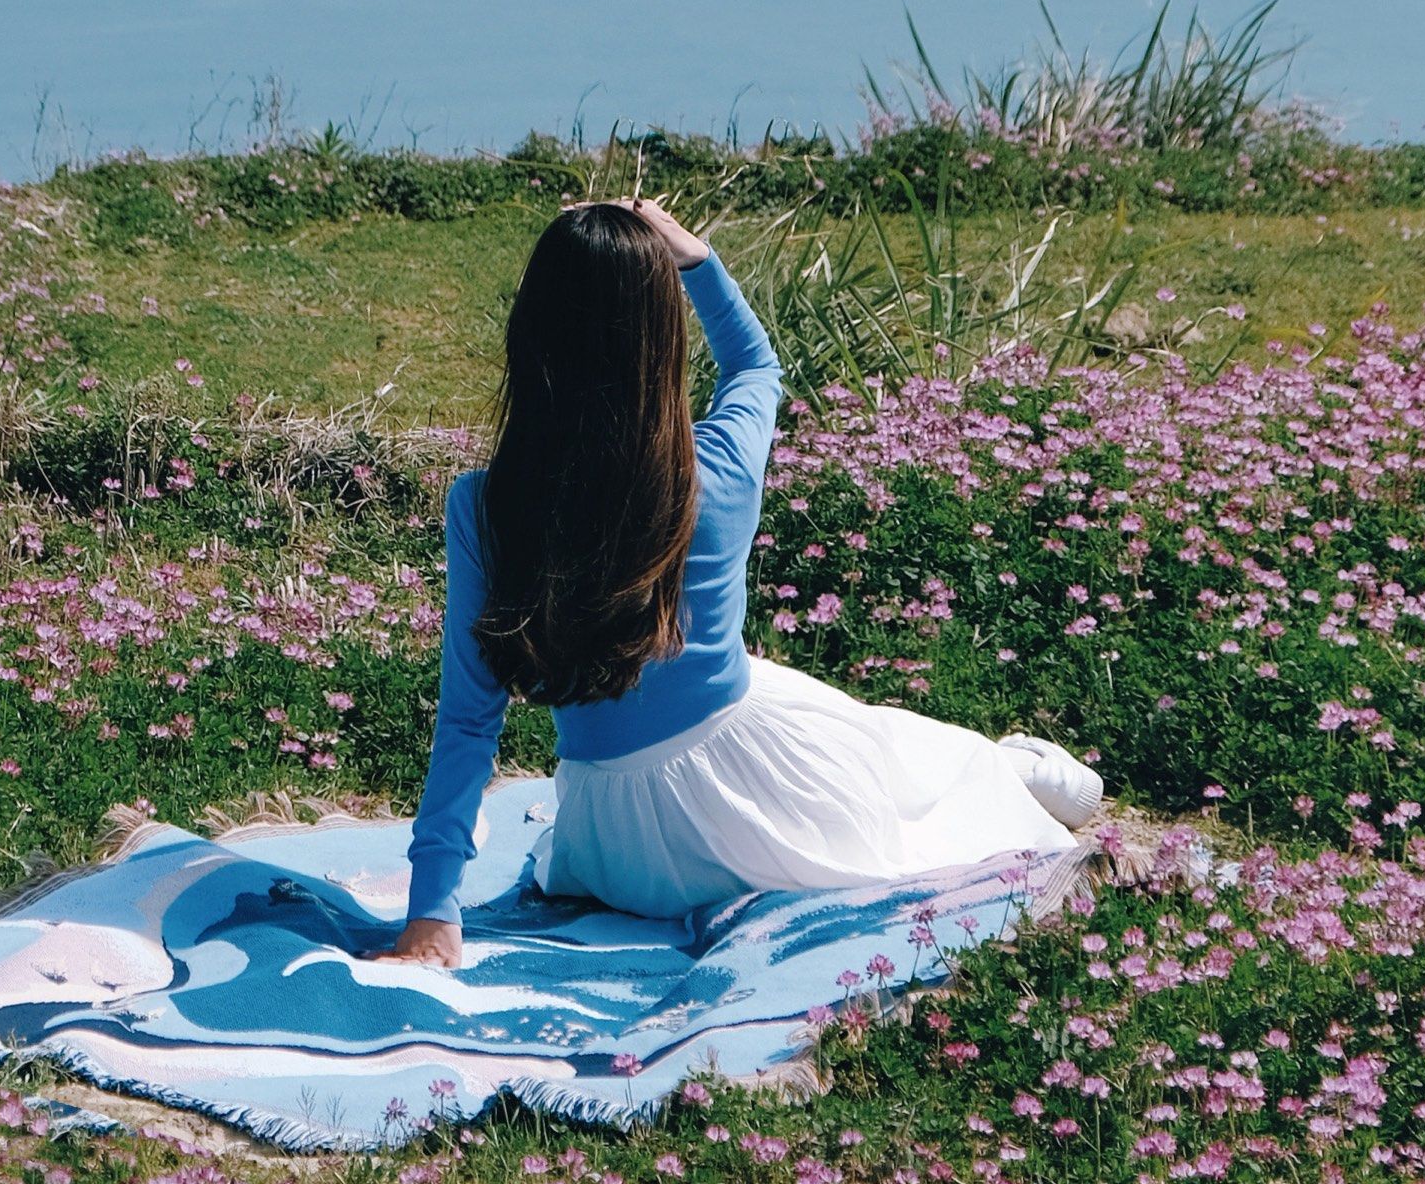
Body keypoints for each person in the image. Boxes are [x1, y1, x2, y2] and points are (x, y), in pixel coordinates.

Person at [375, 198, 1101, 968]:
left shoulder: (486, 506)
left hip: (610, 846)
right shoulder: (712, 472)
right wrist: (696, 259)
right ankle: (1015, 771)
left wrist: (432, 912)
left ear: (530, 334)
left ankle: (1013, 768)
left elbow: (468, 724)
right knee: (898, 756)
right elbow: (756, 366)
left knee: (860, 734)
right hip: (756, 809)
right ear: (661, 342)